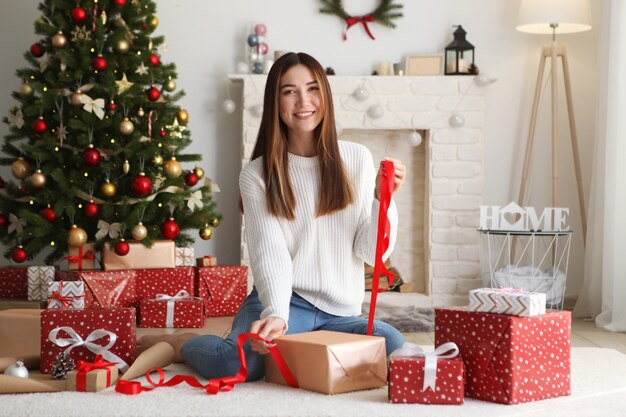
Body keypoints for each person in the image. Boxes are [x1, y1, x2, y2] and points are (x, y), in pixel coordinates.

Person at [137, 52, 407, 381]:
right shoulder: (258, 175)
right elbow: (270, 254)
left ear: (325, 94)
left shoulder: (357, 158)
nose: (304, 101)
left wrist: (383, 200)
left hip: (341, 313)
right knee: (234, 365)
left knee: (394, 344)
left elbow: (372, 253)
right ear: (275, 102)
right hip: (288, 301)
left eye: (312, 89)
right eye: (289, 91)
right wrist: (276, 313)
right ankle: (182, 345)